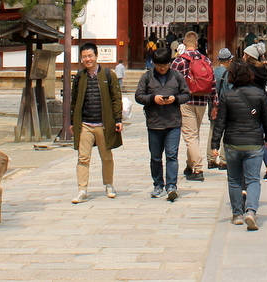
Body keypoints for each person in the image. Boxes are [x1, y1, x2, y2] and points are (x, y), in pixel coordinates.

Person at [210, 58, 267, 230]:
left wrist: (214, 144)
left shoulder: (227, 95)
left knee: (234, 180)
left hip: (232, 143)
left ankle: (237, 214)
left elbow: (220, 123)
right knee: (253, 179)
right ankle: (251, 211)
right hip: (253, 142)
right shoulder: (259, 94)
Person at [71, 42, 124, 203]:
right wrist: (72, 121)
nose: (88, 59)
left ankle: (109, 184)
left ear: (96, 56)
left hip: (103, 123)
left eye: (90, 56)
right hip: (85, 124)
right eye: (84, 57)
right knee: (83, 158)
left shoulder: (108, 75)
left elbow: (116, 98)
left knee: (106, 156)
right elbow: (73, 101)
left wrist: (118, 119)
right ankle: (82, 189)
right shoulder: (80, 77)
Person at [136, 48, 190, 201]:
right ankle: (158, 184)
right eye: (159, 65)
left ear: (170, 63)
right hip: (154, 123)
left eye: (165, 65)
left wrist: (176, 99)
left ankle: (171, 185)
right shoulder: (147, 77)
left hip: (173, 122)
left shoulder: (177, 76)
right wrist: (153, 98)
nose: (162, 68)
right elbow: (139, 96)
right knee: (155, 157)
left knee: (172, 155)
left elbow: (186, 94)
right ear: (153, 64)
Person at [172, 31, 218, 183]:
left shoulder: (179, 61)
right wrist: (214, 103)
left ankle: (197, 168)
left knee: (190, 136)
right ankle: (189, 165)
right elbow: (213, 83)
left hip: (186, 102)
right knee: (194, 134)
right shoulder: (206, 60)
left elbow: (171, 83)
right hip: (202, 102)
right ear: (197, 43)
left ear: (184, 43)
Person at [244, 44, 267, 182]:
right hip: (262, 103)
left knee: (254, 136)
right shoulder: (265, 69)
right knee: (261, 136)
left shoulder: (247, 70)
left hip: (248, 103)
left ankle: (256, 168)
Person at [208, 48, 234, 171]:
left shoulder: (212, 72)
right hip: (225, 107)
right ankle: (224, 159)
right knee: (225, 133)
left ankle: (211, 159)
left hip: (213, 107)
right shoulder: (228, 74)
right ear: (229, 61)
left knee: (213, 131)